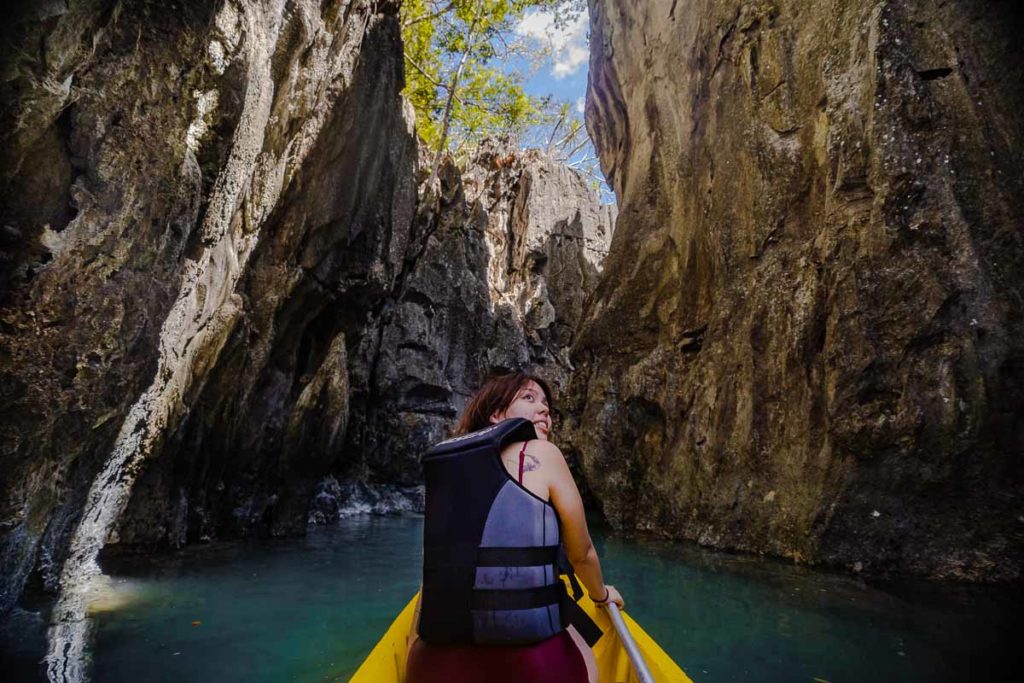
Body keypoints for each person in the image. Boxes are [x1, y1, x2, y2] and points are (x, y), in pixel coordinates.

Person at [406, 372, 625, 683]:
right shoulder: (541, 454)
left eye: (547, 404)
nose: (545, 410)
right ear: (496, 414)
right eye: (529, 398)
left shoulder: (446, 465)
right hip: (526, 665)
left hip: (429, 665)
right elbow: (582, 554)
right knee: (586, 654)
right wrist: (602, 597)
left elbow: (436, 571)